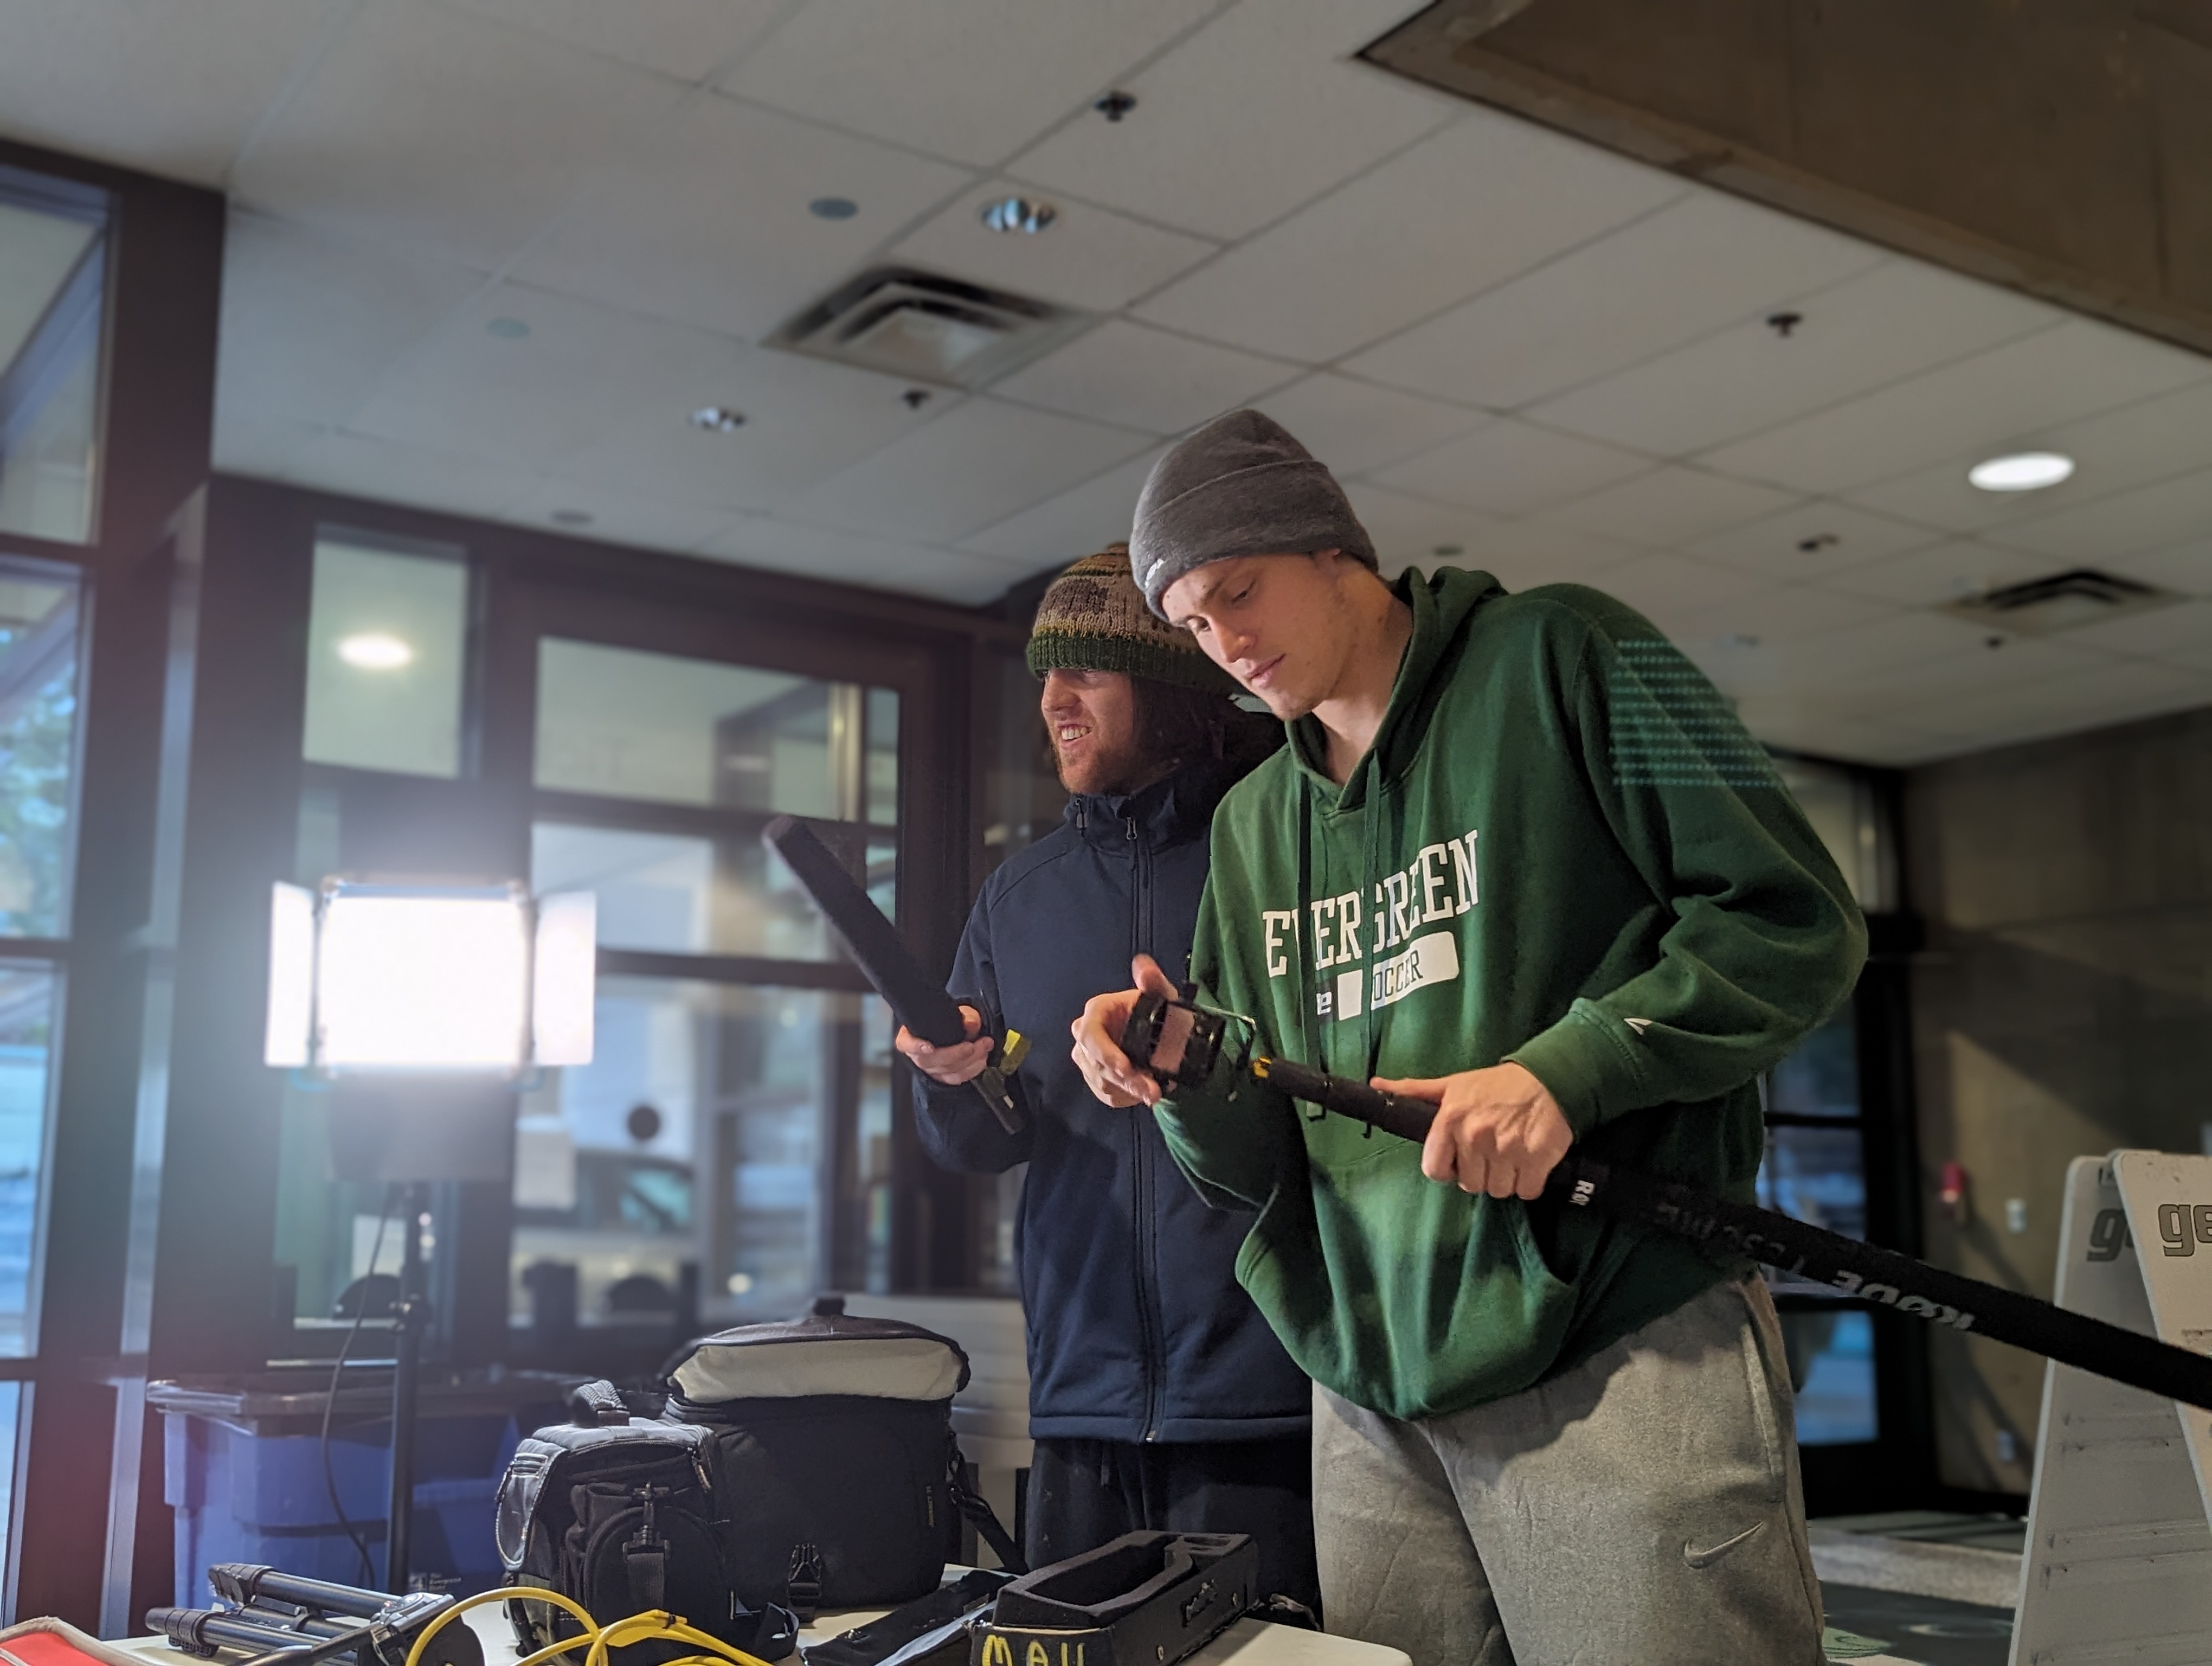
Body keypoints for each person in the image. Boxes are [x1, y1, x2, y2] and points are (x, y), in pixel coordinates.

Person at [1070, 411, 1867, 1666]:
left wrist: (1570, 1070)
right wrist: (1182, 1078)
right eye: (1192, 627)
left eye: (1238, 592)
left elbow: (1793, 919)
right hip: (1367, 1391)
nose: (1226, 645)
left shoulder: (1575, 653)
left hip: (1615, 1337)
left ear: (1333, 550)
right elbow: (1253, 1163)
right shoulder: (1253, 825)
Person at [895, 546, 1317, 1609]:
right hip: (1082, 1398)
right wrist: (952, 1076)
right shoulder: (1018, 895)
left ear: (1167, 686)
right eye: (1044, 673)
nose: (1053, 699)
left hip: (1266, 1393)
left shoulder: (1280, 845)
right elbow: (981, 1145)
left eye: (1085, 669)